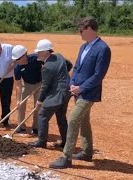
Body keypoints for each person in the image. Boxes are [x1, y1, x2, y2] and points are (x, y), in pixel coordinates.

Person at [49, 17, 111, 169]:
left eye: (81, 30)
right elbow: (76, 67)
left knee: (74, 120)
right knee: (83, 121)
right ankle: (87, 152)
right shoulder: (83, 47)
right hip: (77, 90)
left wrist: (81, 88)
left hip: (89, 92)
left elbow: (98, 75)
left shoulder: (103, 49)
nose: (79, 33)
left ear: (90, 29)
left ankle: (66, 157)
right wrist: (72, 83)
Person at [28, 39, 71, 149]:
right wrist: (59, 77)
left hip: (56, 94)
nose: (37, 53)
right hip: (66, 92)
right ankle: (65, 142)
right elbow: (69, 65)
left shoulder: (47, 67)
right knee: (61, 117)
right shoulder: (59, 56)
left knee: (42, 115)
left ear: (45, 52)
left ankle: (42, 141)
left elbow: (45, 86)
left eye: (39, 51)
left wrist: (39, 101)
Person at [11, 45, 43, 135]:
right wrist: (18, 100)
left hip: (40, 84)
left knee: (38, 106)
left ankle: (36, 127)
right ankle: (21, 126)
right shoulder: (17, 67)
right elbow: (18, 85)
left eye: (18, 59)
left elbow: (46, 66)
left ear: (24, 55)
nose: (16, 61)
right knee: (21, 105)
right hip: (27, 85)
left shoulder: (36, 58)